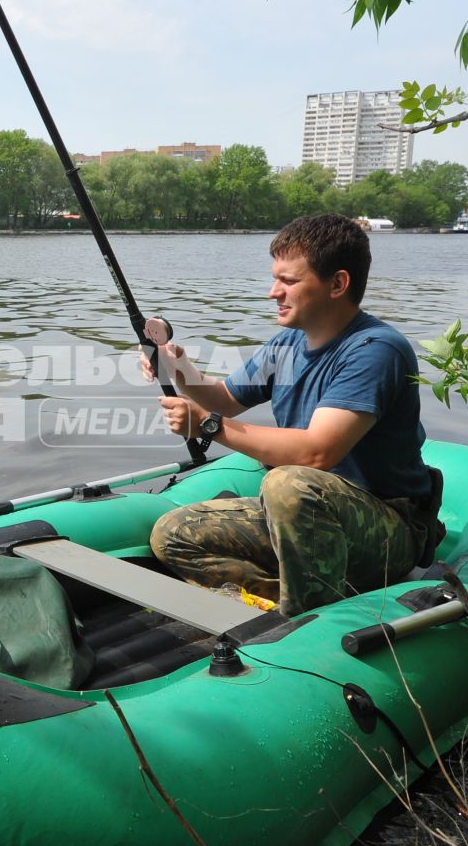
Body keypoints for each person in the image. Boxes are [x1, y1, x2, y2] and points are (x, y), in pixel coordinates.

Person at [141, 213, 440, 616]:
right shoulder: (288, 343)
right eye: (275, 278)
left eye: (289, 281)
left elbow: (318, 453)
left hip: (385, 526)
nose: (272, 292)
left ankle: (312, 619)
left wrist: (208, 426)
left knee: (288, 482)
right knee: (174, 534)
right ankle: (294, 601)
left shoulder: (375, 350)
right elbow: (225, 398)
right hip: (302, 511)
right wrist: (176, 368)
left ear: (338, 284)